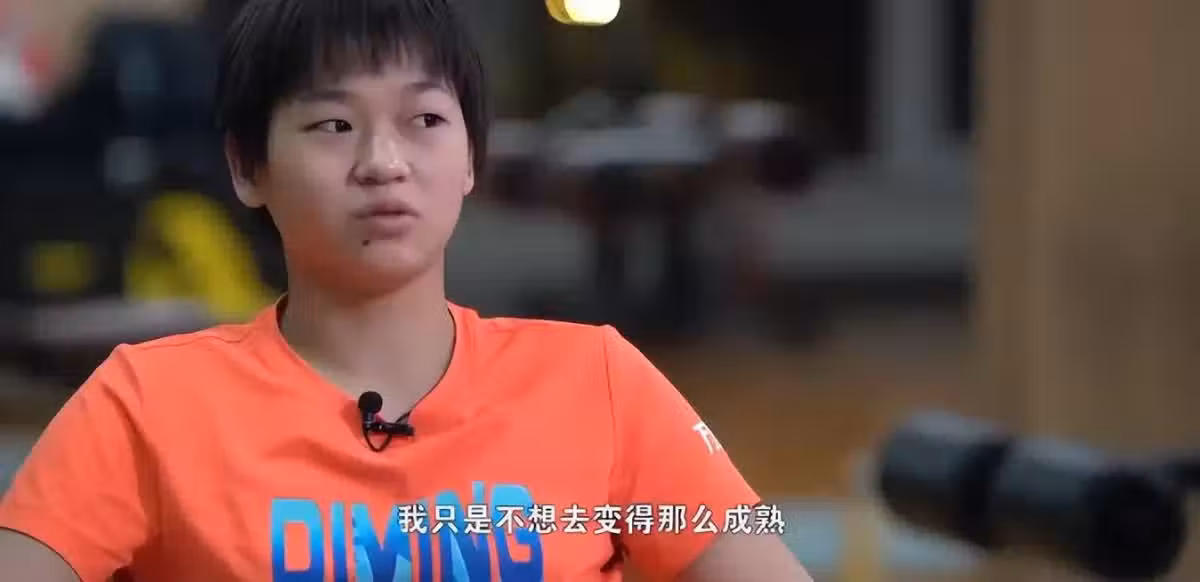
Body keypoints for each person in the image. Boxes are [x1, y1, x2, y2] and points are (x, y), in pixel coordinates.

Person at [0, 0, 814, 580]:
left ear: (470, 159)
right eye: (334, 125)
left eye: (424, 120)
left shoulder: (598, 382)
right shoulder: (147, 404)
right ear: (247, 167)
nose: (383, 163)